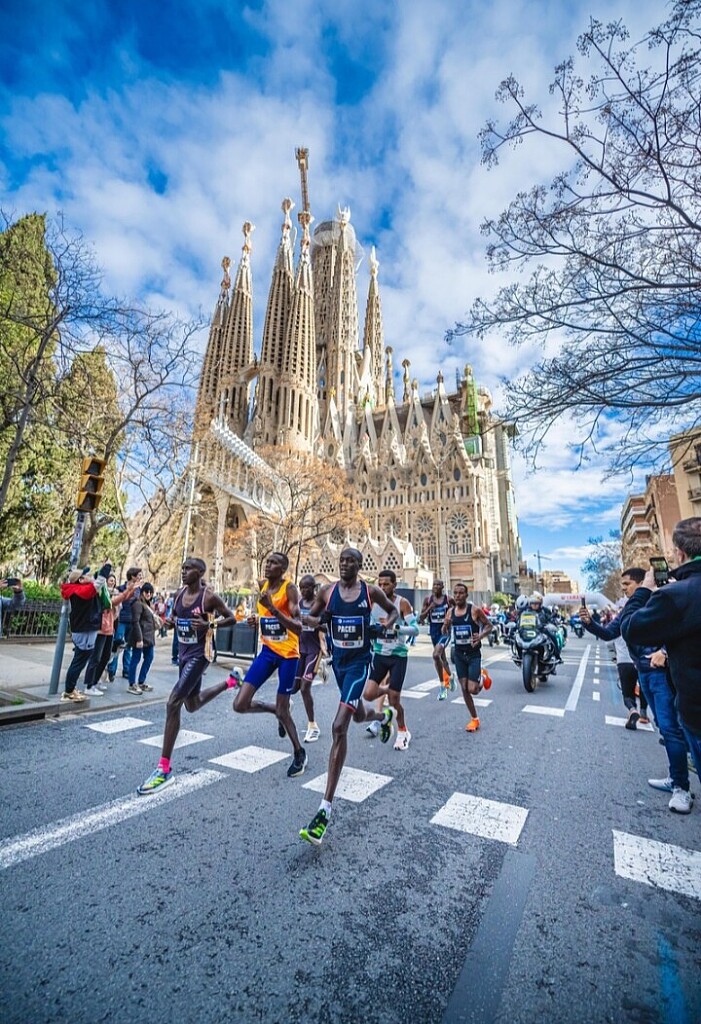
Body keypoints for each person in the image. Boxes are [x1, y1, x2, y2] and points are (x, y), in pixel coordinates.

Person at [299, 547, 399, 846]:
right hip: (339, 664)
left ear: (359, 564)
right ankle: (383, 716)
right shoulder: (327, 592)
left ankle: (324, 810)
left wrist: (386, 624)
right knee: (357, 715)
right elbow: (311, 619)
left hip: (359, 664)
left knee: (339, 726)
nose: (344, 564)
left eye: (350, 561)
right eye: (341, 560)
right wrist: (319, 622)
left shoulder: (369, 592)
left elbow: (392, 611)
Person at [137, 559, 237, 795]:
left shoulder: (208, 597)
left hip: (200, 655)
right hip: (183, 654)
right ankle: (230, 682)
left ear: (200, 572)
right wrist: (171, 623)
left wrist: (210, 625)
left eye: (188, 569)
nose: (183, 572)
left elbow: (231, 618)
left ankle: (163, 769)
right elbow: (175, 617)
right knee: (192, 704)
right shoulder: (180, 593)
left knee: (173, 703)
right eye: (182, 568)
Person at [621, 517, 701, 795]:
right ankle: (678, 780)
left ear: (680, 553)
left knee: (670, 729)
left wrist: (645, 590)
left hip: (694, 707)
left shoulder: (675, 595)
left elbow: (629, 627)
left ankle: (680, 787)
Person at [233, 552, 308, 777]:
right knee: (240, 704)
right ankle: (276, 710)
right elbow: (266, 615)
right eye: (268, 561)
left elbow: (298, 627)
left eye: (274, 563)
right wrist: (258, 619)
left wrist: (273, 610)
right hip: (267, 652)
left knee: (284, 711)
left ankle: (299, 753)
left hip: (288, 655)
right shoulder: (263, 586)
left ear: (283, 569)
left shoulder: (289, 589)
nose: (268, 565)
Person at [579, 571, 649, 729]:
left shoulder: (658, 602)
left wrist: (663, 652)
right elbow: (608, 633)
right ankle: (640, 712)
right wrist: (589, 622)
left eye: (627, 584)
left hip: (657, 666)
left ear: (641, 584)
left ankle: (636, 711)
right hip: (629, 661)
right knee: (667, 725)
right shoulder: (626, 610)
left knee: (670, 718)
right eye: (622, 584)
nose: (623, 588)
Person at [363, 569, 419, 750]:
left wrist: (396, 628)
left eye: (386, 584)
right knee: (368, 694)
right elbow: (368, 624)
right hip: (380, 654)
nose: (382, 587)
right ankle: (389, 690)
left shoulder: (402, 603)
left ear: (394, 585)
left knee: (394, 700)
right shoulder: (373, 603)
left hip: (398, 655)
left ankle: (403, 732)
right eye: (379, 584)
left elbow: (415, 629)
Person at [439, 583, 492, 731]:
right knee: (464, 688)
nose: (457, 596)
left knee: (473, 689)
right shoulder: (450, 612)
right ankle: (474, 719)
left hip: (473, 654)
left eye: (461, 593)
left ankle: (483, 676)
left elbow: (489, 625)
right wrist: (445, 625)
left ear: (466, 595)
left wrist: (480, 636)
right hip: (459, 654)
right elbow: (444, 632)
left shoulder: (474, 610)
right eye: (455, 593)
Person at [84, 571, 137, 695]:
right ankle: (89, 685)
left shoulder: (113, 592)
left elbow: (120, 600)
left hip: (109, 628)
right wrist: (128, 590)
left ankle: (95, 682)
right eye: (110, 579)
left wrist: (131, 589)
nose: (112, 582)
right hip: (100, 629)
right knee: (96, 658)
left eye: (113, 580)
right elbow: (112, 602)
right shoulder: (101, 592)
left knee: (105, 657)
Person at [59, 569, 109, 702]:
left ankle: (71, 689)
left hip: (85, 628)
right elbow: (99, 582)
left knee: (79, 660)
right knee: (79, 661)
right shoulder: (82, 591)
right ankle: (69, 691)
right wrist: (107, 567)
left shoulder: (79, 590)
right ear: (80, 580)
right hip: (84, 629)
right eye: (88, 575)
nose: (91, 577)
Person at [293, 574, 324, 743]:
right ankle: (285, 707)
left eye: (307, 587)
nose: (304, 591)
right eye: (301, 588)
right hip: (299, 649)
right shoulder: (298, 604)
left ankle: (313, 726)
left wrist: (314, 622)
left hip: (314, 650)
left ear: (313, 588)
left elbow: (327, 626)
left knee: (305, 687)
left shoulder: (318, 605)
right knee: (293, 687)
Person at [418, 580, 455, 699]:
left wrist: (449, 621)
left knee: (435, 655)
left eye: (438, 585)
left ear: (442, 587)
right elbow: (421, 618)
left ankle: (442, 686)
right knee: (442, 658)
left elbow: (456, 613)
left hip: (445, 632)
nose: (436, 587)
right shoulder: (428, 600)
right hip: (434, 632)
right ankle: (451, 677)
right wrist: (429, 608)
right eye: (434, 585)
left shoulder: (448, 600)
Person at [106, 566, 143, 682]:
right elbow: (120, 601)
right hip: (122, 620)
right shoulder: (120, 588)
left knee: (128, 647)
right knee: (117, 645)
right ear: (132, 576)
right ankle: (111, 670)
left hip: (133, 621)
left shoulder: (139, 591)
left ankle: (126, 670)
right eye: (139, 575)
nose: (141, 577)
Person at [128, 582, 158, 694]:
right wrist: (139, 639)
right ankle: (132, 684)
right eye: (146, 591)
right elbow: (135, 622)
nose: (148, 594)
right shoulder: (138, 604)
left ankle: (141, 681)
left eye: (150, 592)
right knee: (135, 659)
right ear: (142, 592)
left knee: (149, 658)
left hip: (148, 637)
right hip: (140, 637)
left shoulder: (148, 604)